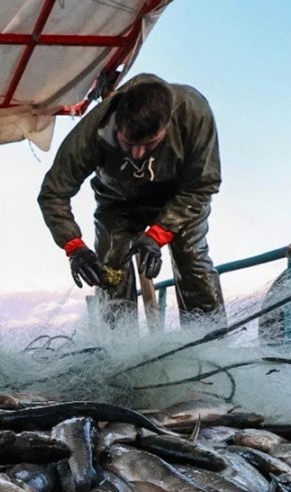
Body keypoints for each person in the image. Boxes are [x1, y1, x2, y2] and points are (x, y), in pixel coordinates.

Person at [37, 73, 225, 328]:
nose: (137, 154)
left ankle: (210, 342)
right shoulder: (94, 129)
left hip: (179, 198)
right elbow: (53, 192)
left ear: (167, 125)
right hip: (118, 202)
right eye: (128, 143)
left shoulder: (194, 113)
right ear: (117, 123)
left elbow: (203, 184)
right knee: (110, 268)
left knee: (192, 259)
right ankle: (119, 351)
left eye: (148, 145)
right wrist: (74, 247)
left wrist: (158, 233)